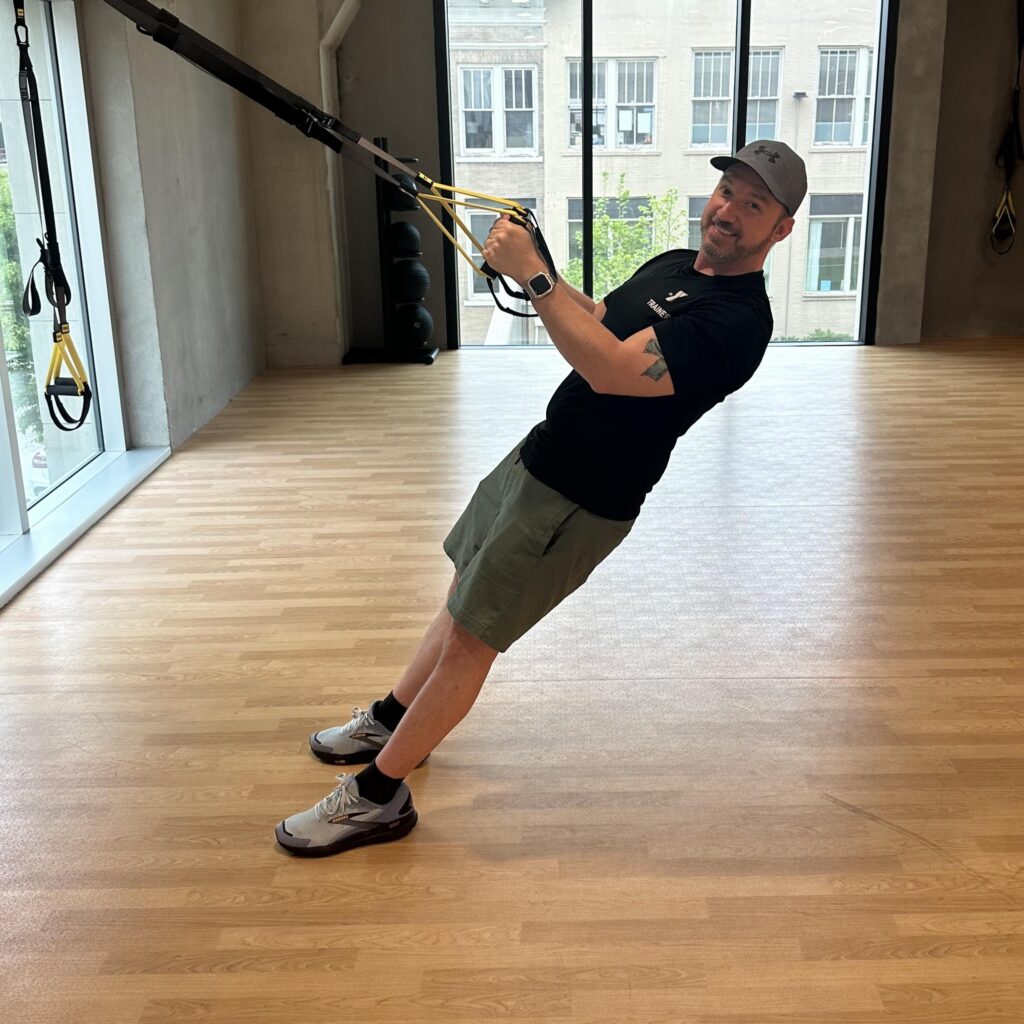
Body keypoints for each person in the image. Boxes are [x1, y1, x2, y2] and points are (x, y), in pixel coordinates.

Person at [275, 140, 808, 857]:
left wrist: (533, 278)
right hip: (541, 454)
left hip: (582, 500)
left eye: (755, 205)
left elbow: (613, 366)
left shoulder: (738, 323)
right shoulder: (678, 265)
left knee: (474, 637)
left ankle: (379, 796)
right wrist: (542, 275)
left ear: (780, 229)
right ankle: (392, 716)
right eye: (728, 192)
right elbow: (603, 316)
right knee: (464, 592)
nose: (729, 212)